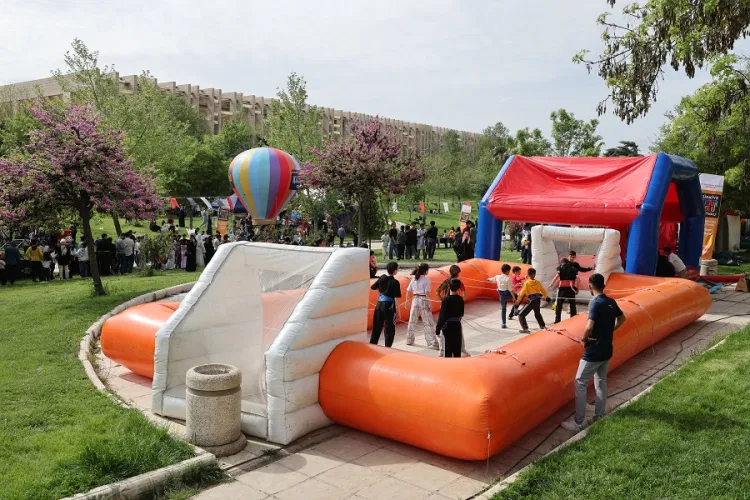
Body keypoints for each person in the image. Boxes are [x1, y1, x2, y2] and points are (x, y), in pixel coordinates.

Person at [562, 273, 626, 431]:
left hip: (594, 351)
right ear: (603, 285)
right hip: (607, 349)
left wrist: (584, 339)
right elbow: (622, 318)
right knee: (601, 381)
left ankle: (579, 422)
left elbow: (589, 326)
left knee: (580, 382)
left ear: (590, 286)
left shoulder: (595, 303)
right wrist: (611, 330)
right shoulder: (611, 301)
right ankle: (599, 415)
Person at [406, 263, 439, 348]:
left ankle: (409, 340)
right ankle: (433, 342)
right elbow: (427, 293)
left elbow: (408, 290)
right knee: (428, 321)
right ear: (426, 271)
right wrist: (429, 303)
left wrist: (407, 301)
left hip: (415, 300)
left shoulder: (413, 279)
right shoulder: (426, 280)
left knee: (412, 320)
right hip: (423, 300)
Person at [370, 261, 401, 347]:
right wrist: (398, 312)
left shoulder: (382, 278)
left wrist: (382, 291)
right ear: (395, 271)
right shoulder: (395, 282)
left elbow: (373, 287)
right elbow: (396, 298)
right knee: (389, 328)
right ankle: (388, 347)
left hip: (379, 305)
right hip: (389, 306)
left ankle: (372, 345)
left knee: (377, 326)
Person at [435, 278, 465, 358]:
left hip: (447, 326)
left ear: (448, 286)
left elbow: (442, 316)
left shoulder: (446, 300)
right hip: (457, 325)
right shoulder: (460, 299)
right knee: (457, 348)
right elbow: (461, 313)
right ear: (459, 288)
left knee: (448, 348)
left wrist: (438, 329)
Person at [515, 268, 547, 333]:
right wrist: (544, 297)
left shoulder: (526, 283)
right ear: (535, 274)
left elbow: (521, 293)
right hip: (538, 300)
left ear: (528, 274)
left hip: (531, 301)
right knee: (537, 313)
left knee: (521, 315)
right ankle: (542, 326)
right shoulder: (538, 282)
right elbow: (544, 291)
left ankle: (525, 329)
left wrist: (518, 301)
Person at [549, 258, 581, 324]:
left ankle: (557, 320)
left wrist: (551, 284)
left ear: (562, 263)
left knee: (559, 305)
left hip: (562, 289)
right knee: (572, 305)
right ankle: (573, 319)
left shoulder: (561, 268)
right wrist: (577, 288)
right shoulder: (574, 269)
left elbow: (556, 276)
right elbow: (578, 279)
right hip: (571, 288)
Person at [488, 264, 514, 328]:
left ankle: (503, 324)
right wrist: (514, 298)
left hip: (501, 297)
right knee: (518, 297)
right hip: (507, 296)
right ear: (507, 271)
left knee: (503, 309)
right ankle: (515, 310)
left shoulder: (497, 277)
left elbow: (492, 279)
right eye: (509, 271)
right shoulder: (508, 278)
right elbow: (511, 290)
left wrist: (488, 279)